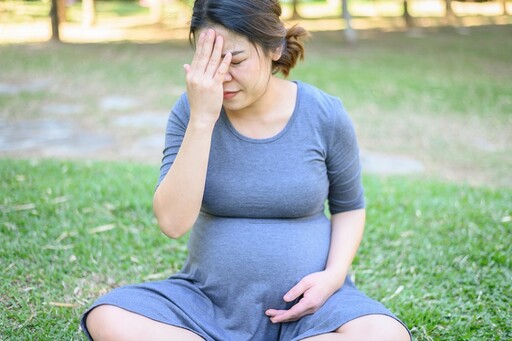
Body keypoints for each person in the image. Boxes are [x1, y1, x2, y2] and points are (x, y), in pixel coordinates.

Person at [81, 0, 411, 340]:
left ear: (275, 47)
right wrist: (203, 119)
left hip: (313, 307)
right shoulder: (191, 113)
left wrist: (334, 276)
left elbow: (350, 207)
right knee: (108, 316)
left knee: (385, 334)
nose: (221, 76)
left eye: (235, 60)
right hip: (205, 304)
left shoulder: (324, 115)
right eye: (209, 62)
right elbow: (173, 223)